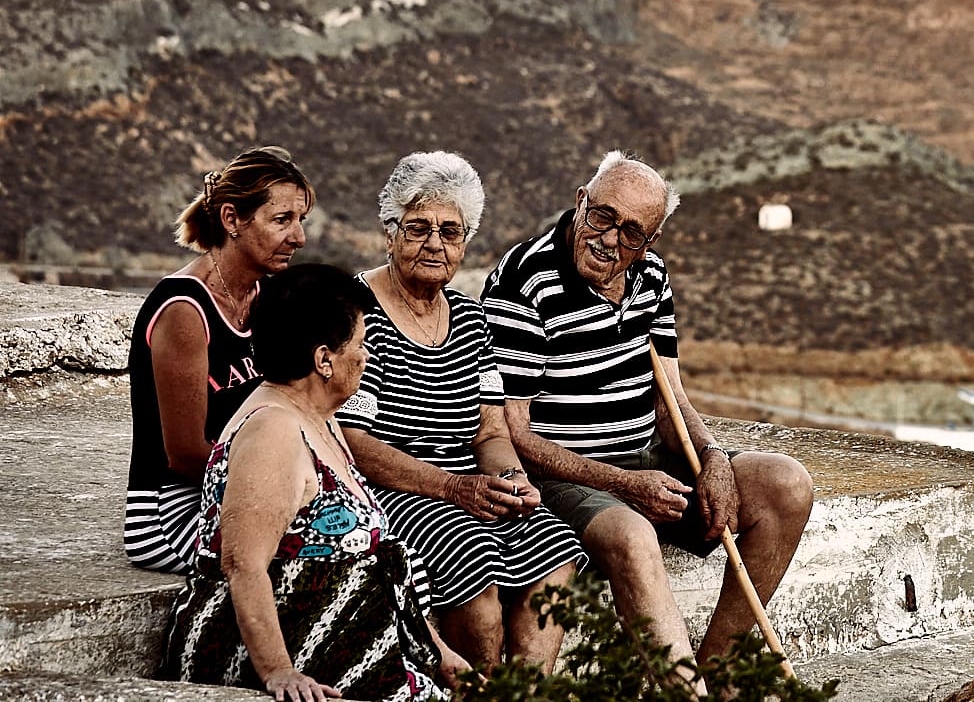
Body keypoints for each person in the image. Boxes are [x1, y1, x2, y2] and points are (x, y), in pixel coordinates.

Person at [483, 151, 814, 675]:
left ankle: (719, 671)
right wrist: (624, 485)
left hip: (647, 458)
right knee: (634, 534)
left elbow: (671, 399)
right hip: (564, 473)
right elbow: (514, 433)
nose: (611, 240)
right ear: (580, 203)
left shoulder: (651, 275)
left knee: (786, 484)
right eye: (603, 217)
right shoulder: (527, 280)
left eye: (633, 232)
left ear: (651, 240)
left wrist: (713, 459)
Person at [160, 264, 468, 701]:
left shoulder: (318, 416)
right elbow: (242, 564)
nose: (367, 357)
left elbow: (378, 566)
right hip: (287, 661)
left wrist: (440, 654)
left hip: (348, 652)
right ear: (324, 359)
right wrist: (279, 671)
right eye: (360, 345)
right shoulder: (273, 431)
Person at [339, 151, 582, 670]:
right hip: (392, 488)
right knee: (476, 567)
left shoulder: (471, 318)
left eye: (450, 231)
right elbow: (353, 443)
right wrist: (452, 488)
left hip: (466, 482)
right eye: (418, 227)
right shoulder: (357, 312)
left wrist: (511, 481)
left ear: (466, 243)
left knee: (556, 547)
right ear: (389, 232)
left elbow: (491, 431)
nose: (434, 243)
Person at [126, 145, 314, 572]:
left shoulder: (266, 297)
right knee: (327, 548)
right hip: (172, 512)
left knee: (376, 532)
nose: (299, 237)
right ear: (232, 220)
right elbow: (186, 455)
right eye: (282, 220)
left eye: (301, 220)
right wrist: (282, 490)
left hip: (243, 488)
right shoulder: (184, 310)